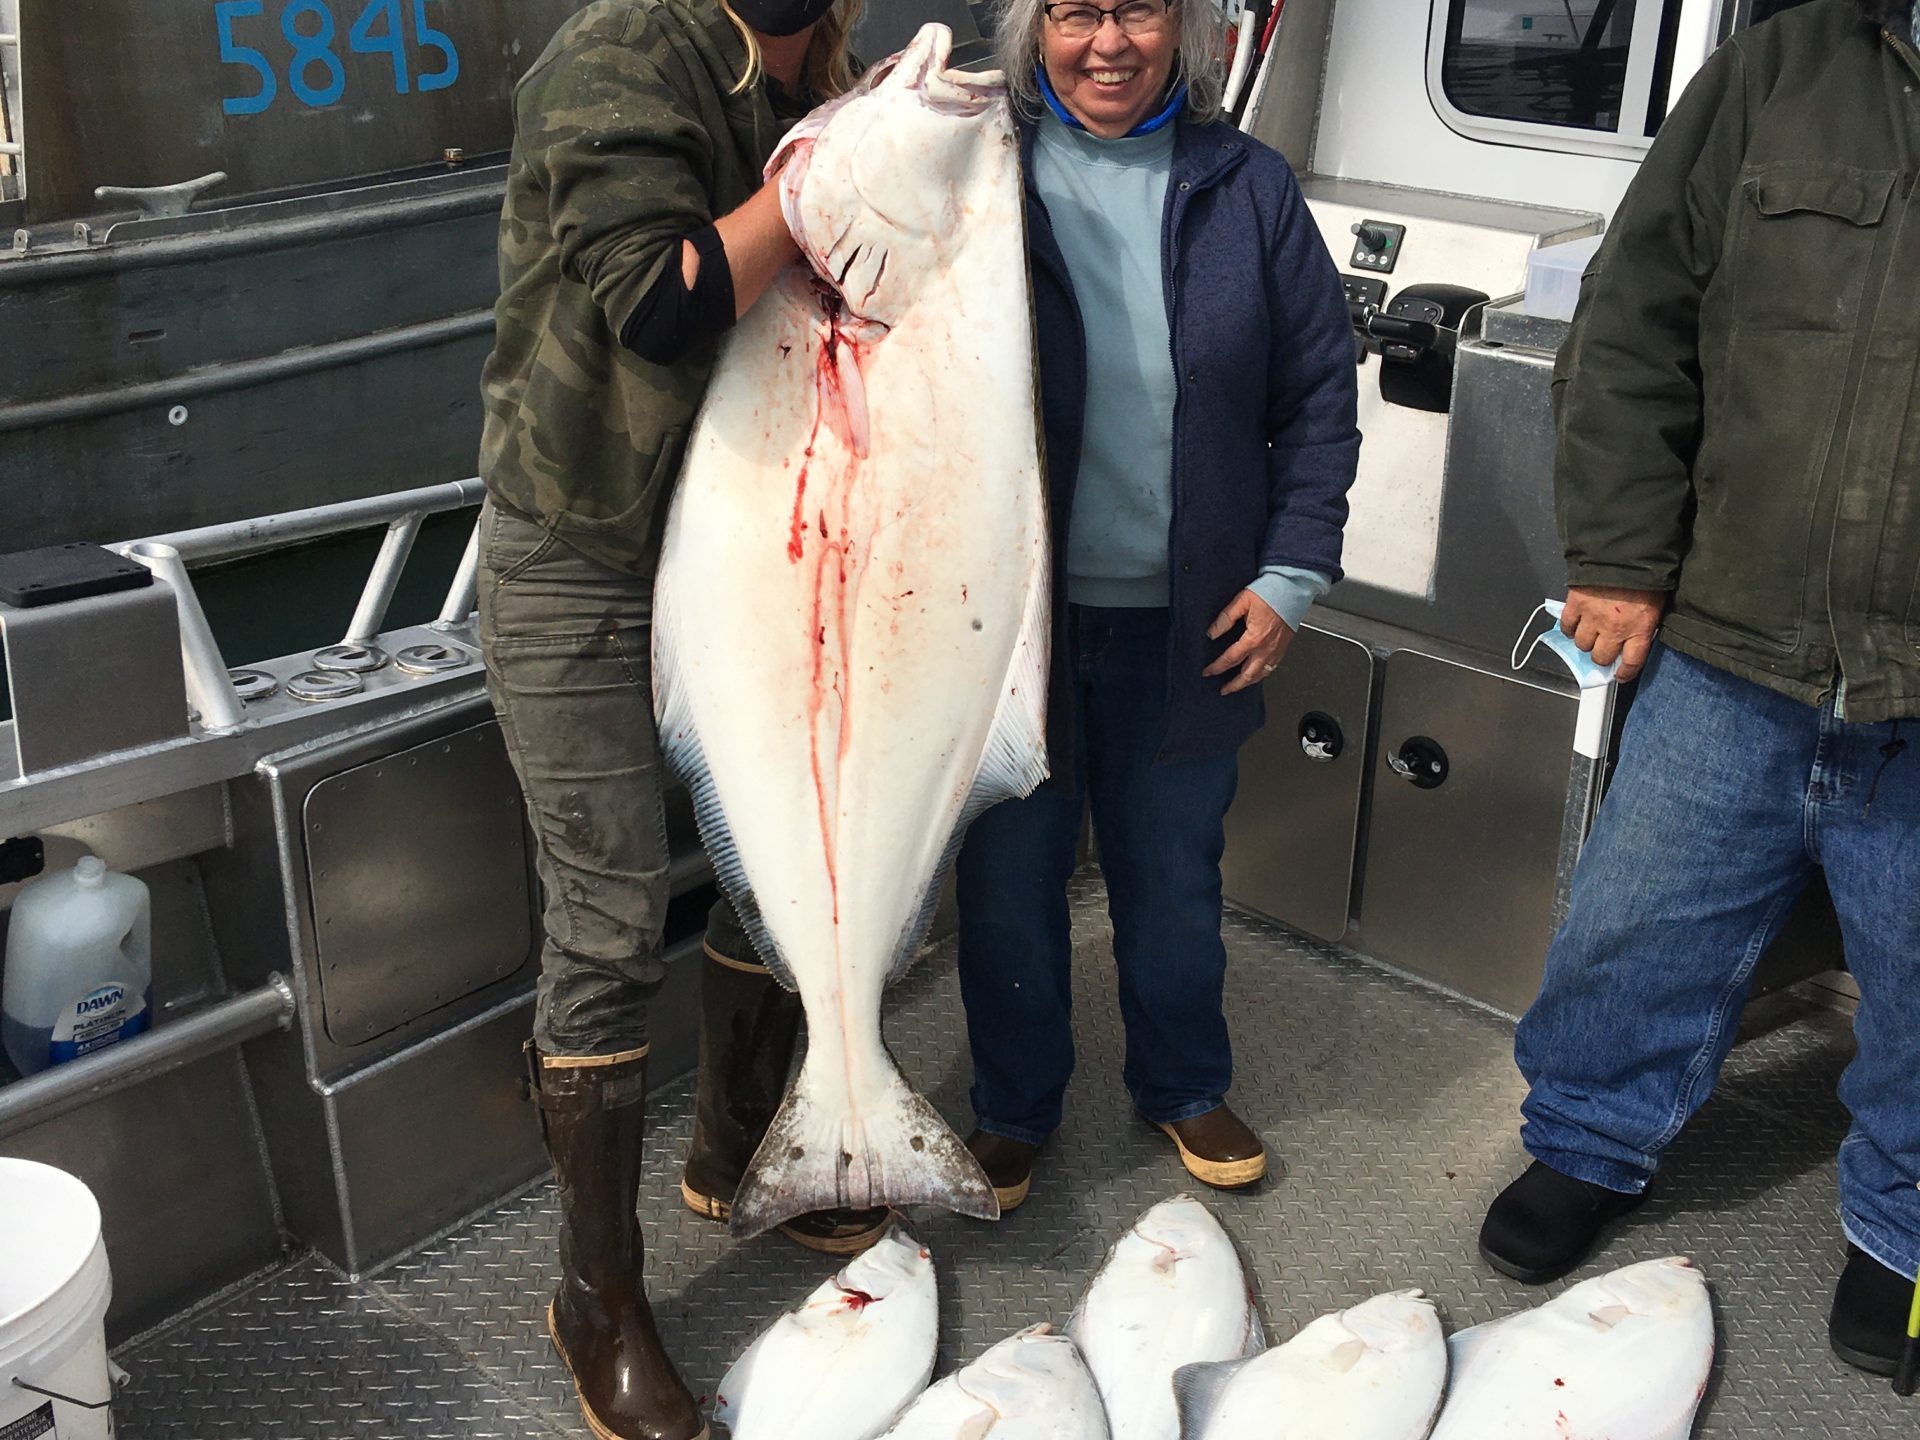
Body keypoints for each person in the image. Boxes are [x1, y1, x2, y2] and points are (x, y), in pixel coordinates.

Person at [1477, 0, 1920, 1378]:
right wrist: (1616, 556)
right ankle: (1592, 1141)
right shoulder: (1782, 68)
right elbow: (1631, 320)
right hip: (1734, 639)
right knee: (1635, 928)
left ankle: (1905, 1227)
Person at [476, 3, 886, 1437]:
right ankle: (598, 1294)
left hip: (748, 550)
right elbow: (662, 295)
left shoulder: (824, 72)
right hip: (581, 552)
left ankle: (733, 1142)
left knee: (785, 850)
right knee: (604, 921)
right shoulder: (617, 55)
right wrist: (837, 172)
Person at [955, 0, 1360, 1211]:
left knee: (1174, 877)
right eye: (1078, 12)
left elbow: (1320, 399)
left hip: (1190, 627)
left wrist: (1290, 576)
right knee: (1006, 886)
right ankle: (1012, 1107)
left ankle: (1182, 1081)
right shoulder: (981, 177)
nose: (1109, 43)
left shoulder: (1250, 188)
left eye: (1137, 8)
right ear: (1033, 29)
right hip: (1006, 637)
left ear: (1182, 27)